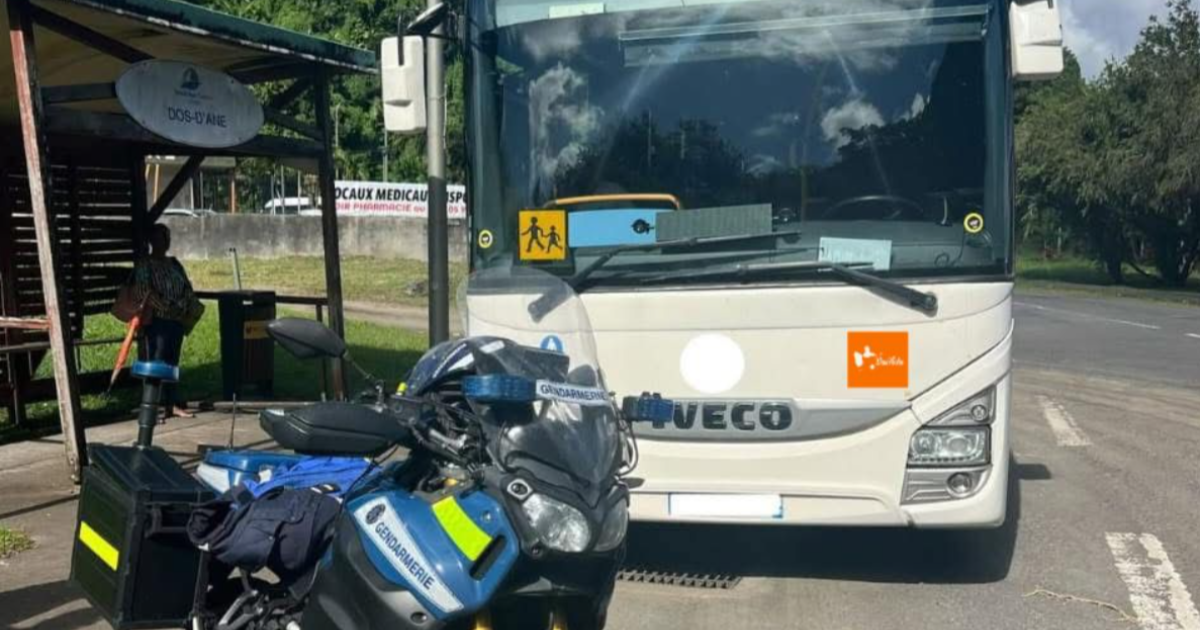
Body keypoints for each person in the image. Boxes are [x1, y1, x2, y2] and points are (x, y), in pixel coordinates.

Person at [130, 224, 204, 419]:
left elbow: (186, 287)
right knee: (157, 361)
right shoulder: (145, 265)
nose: (163, 242)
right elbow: (143, 291)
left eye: (166, 238)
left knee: (172, 363)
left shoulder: (174, 264)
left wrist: (183, 306)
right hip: (158, 321)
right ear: (152, 241)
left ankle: (172, 404)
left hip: (177, 320)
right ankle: (153, 406)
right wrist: (164, 307)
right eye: (160, 238)